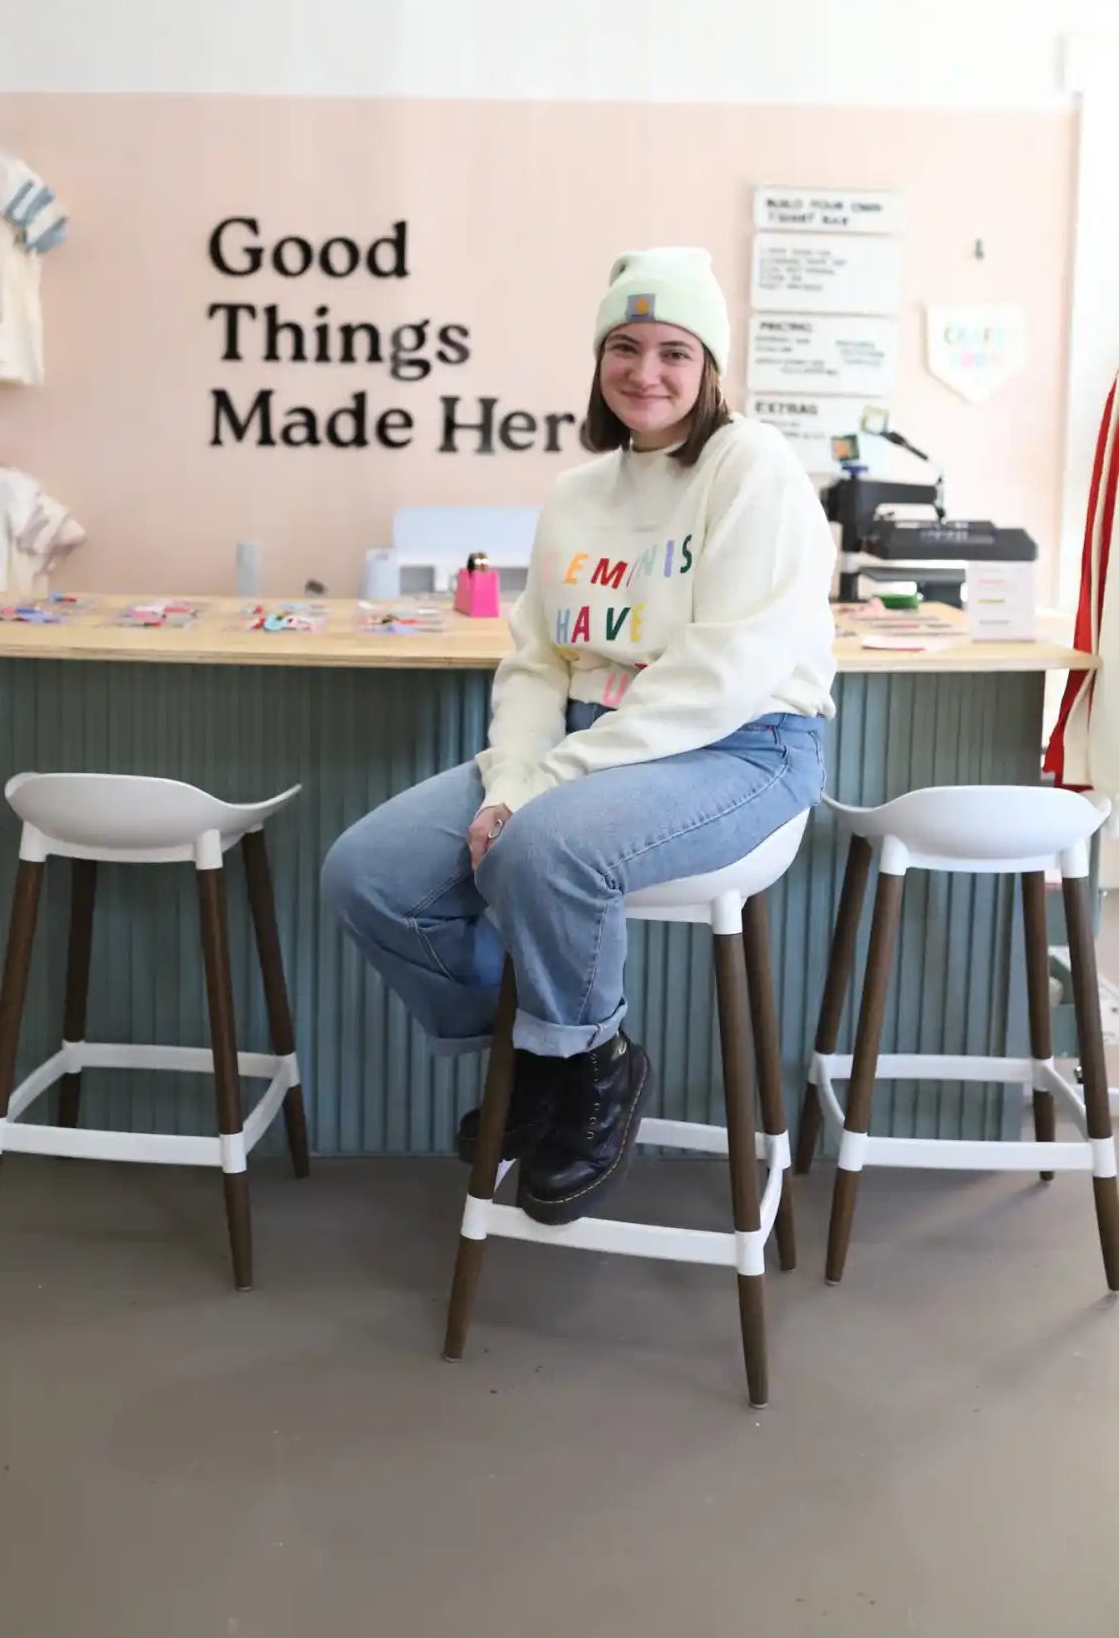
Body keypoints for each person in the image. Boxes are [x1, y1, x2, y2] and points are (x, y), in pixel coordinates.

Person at [322, 247, 836, 1225]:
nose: (646, 371)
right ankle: (543, 1050)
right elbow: (537, 664)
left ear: (710, 366)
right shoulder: (574, 493)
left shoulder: (751, 465)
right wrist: (514, 775)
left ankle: (590, 1066)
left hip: (741, 742)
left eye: (673, 350)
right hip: (589, 737)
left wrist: (542, 790)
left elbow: (723, 669)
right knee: (370, 872)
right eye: (624, 346)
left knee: (543, 844)